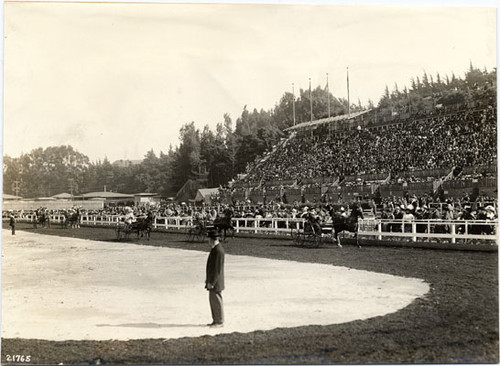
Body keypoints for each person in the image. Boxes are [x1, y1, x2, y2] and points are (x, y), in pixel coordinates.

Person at [205, 228, 225, 328]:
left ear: (212, 239)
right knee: (213, 301)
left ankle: (219, 321)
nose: (208, 241)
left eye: (209, 239)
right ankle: (215, 320)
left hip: (215, 281)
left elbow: (217, 269)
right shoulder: (216, 249)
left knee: (217, 301)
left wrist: (212, 282)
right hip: (213, 280)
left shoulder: (218, 250)